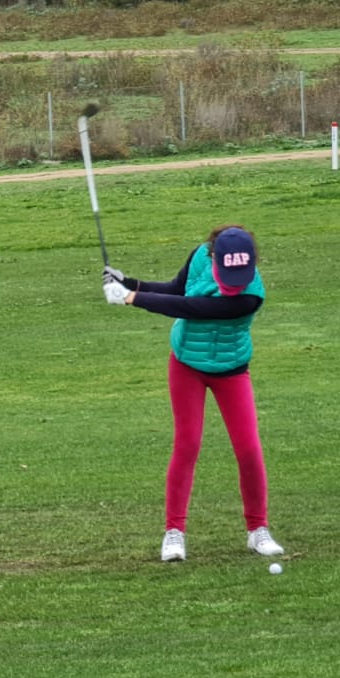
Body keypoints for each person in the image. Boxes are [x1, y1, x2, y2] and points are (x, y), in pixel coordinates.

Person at [102, 225, 286, 563]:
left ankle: (258, 529)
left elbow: (191, 308)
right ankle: (174, 533)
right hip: (187, 364)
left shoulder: (249, 297)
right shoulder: (200, 254)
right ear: (213, 256)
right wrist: (130, 283)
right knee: (187, 445)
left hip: (231, 371)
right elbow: (177, 290)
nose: (235, 282)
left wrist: (131, 299)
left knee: (248, 449)